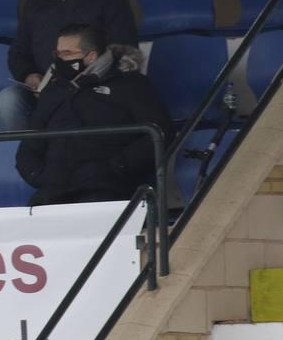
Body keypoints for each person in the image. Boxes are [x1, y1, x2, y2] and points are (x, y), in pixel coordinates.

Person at [0, 0, 138, 132]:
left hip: (92, 89)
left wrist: (88, 80)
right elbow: (19, 50)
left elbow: (125, 49)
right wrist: (29, 75)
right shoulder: (36, 0)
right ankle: (22, 161)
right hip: (43, 93)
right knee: (8, 100)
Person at [15, 24, 172, 206]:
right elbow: (31, 142)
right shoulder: (53, 91)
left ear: (91, 56)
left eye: (67, 54)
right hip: (54, 189)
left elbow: (159, 132)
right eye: (58, 54)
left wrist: (116, 167)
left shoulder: (130, 85)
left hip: (109, 189)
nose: (60, 59)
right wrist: (38, 174)